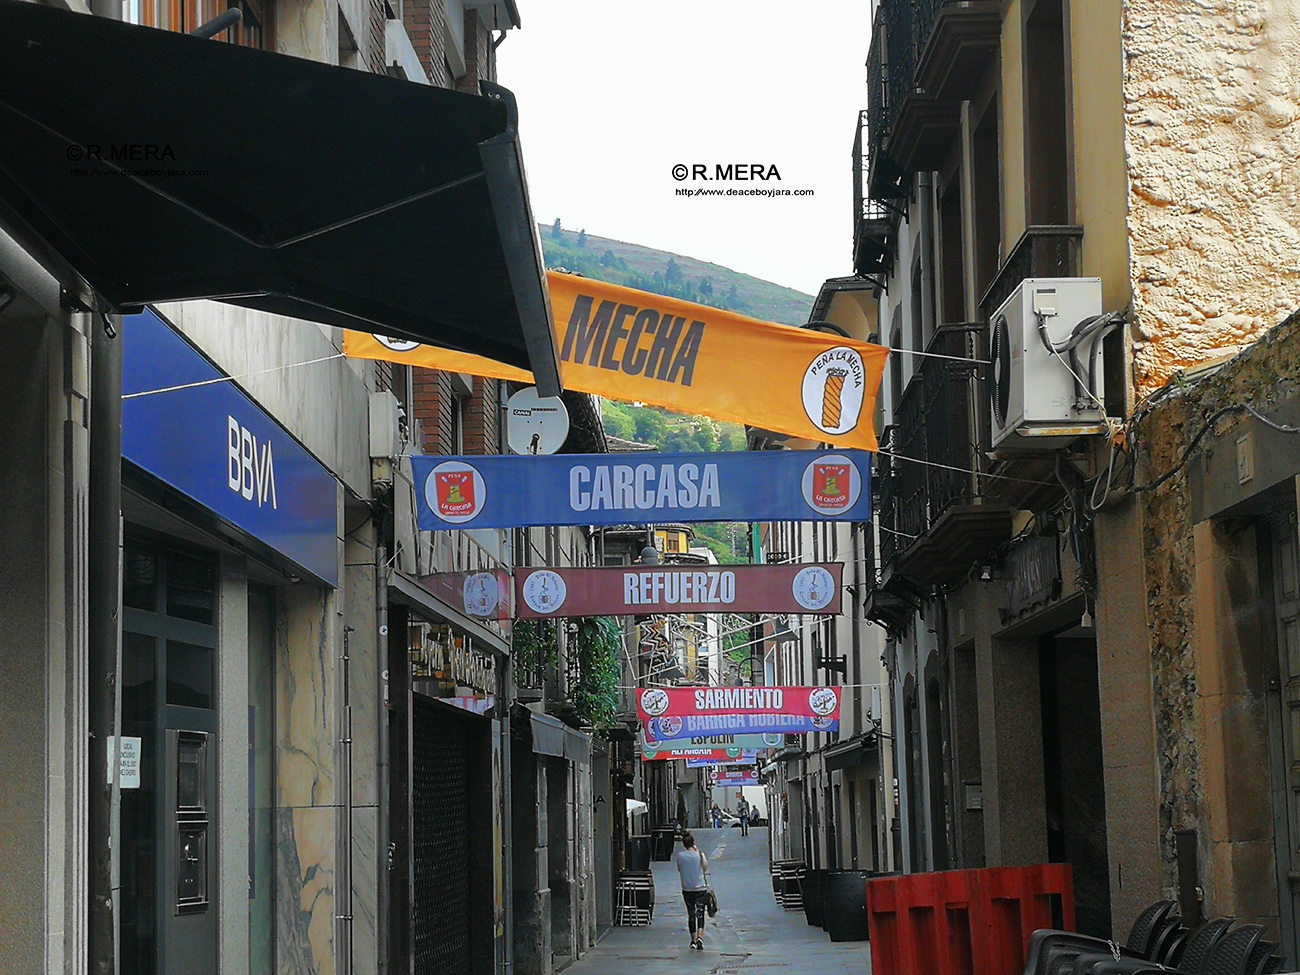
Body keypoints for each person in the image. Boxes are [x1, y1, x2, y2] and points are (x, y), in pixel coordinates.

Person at [672, 831, 710, 950]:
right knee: (700, 913)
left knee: (691, 913)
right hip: (700, 888)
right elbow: (705, 867)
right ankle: (700, 936)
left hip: (687, 888)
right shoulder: (699, 854)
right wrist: (697, 851)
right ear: (693, 843)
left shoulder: (680, 856)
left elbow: (679, 869)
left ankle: (693, 940)